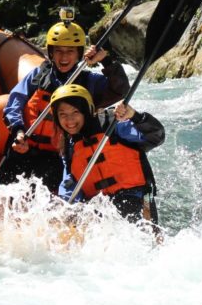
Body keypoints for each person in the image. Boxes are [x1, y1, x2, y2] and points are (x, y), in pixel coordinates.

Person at [0, 19, 129, 192]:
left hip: (57, 158)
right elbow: (14, 102)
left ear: (79, 54)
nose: (64, 57)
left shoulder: (88, 81)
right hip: (22, 145)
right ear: (50, 52)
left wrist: (106, 61)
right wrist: (18, 131)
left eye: (70, 51)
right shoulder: (38, 75)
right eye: (58, 51)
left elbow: (120, 89)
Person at [49, 84, 165, 223]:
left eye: (75, 112)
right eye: (63, 115)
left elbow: (156, 136)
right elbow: (70, 183)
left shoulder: (113, 125)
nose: (70, 120)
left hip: (135, 197)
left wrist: (135, 116)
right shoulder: (69, 146)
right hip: (100, 207)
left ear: (87, 110)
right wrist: (66, 207)